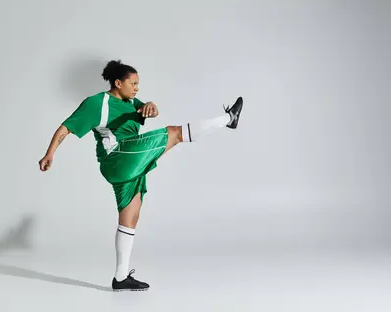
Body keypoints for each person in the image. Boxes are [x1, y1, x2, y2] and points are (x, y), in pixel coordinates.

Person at [37, 60, 243, 291]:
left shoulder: (132, 102)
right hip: (118, 156)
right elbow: (66, 127)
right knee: (174, 133)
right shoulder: (97, 103)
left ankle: (121, 278)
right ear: (118, 83)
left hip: (127, 163)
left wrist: (152, 107)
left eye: (138, 84)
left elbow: (149, 110)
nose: (137, 88)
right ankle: (228, 119)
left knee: (130, 218)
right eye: (133, 83)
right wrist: (49, 154)